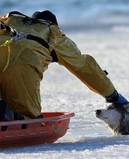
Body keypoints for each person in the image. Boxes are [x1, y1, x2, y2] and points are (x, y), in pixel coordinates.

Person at [0, 10, 128, 121]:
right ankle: (6, 115)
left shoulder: (8, 21)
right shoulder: (53, 34)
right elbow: (84, 67)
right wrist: (112, 94)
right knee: (27, 118)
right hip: (21, 66)